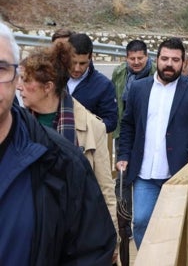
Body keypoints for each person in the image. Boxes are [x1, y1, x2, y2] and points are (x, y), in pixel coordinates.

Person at [0, 21, 116, 265]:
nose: (21, 87)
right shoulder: (29, 131)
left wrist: (113, 237)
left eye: (1, 69)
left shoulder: (66, 154)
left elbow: (103, 192)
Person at [116, 37, 188, 248]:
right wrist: (123, 155)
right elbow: (128, 125)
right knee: (140, 222)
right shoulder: (139, 89)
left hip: (178, 173)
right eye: (165, 58)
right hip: (145, 173)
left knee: (176, 227)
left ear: (183, 62)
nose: (169, 64)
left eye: (175, 60)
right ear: (156, 59)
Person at [110, 38, 156, 260]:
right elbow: (115, 102)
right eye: (132, 58)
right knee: (122, 178)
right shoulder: (120, 73)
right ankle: (124, 222)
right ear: (126, 58)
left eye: (140, 58)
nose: (136, 62)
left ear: (147, 57)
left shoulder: (156, 74)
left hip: (148, 135)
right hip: (124, 133)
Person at [67, 33, 118, 133]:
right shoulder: (52, 77)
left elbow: (111, 123)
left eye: (82, 63)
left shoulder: (104, 86)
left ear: (90, 58)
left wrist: (85, 124)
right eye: (73, 62)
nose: (77, 68)